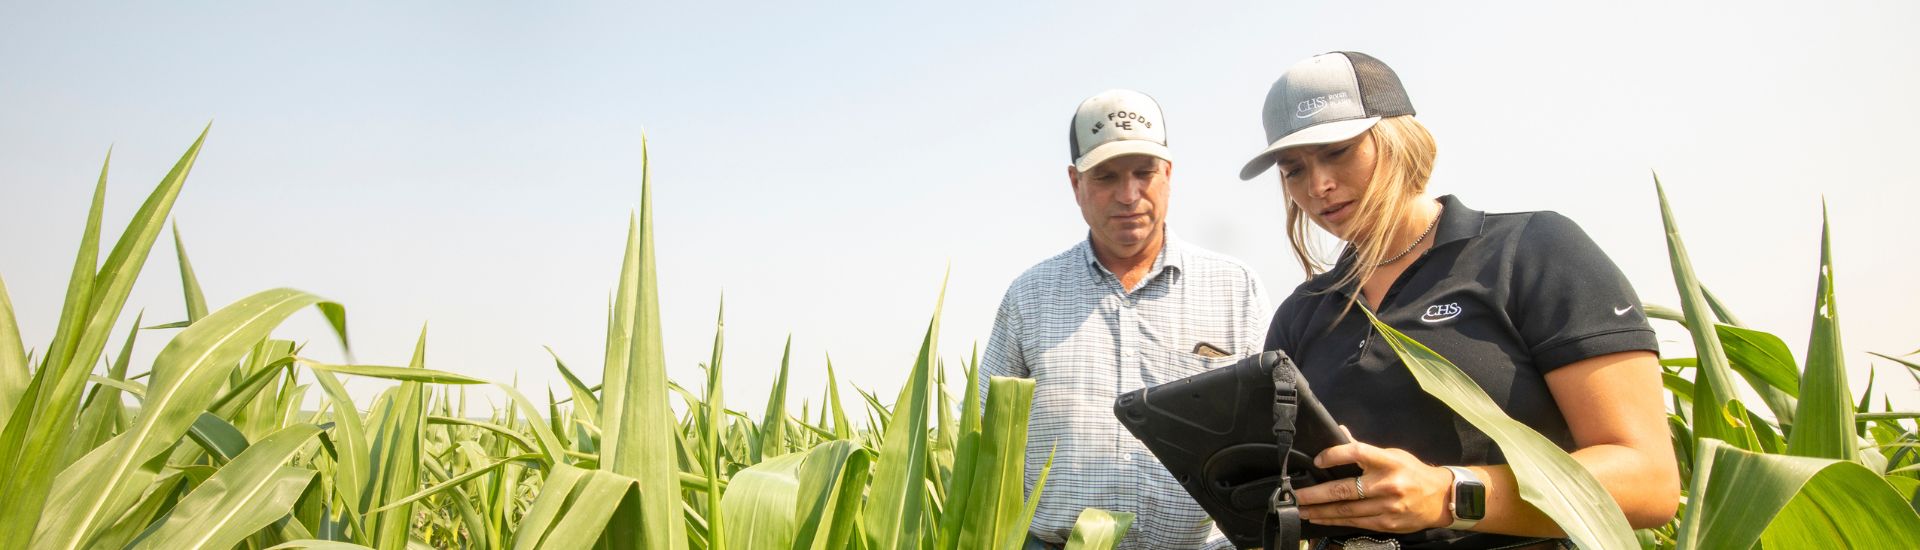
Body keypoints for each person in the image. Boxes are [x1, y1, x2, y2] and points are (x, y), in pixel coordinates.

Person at [1237, 52, 1679, 549]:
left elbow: (1648, 481)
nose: (1318, 186)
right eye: (1293, 170)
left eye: (1338, 152)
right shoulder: (1302, 311)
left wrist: (1449, 495)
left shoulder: (1534, 251)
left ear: (1401, 139)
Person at [982, 89, 1269, 550]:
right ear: (1075, 183)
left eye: (1144, 173)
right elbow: (987, 433)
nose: (1129, 195)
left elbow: (1268, 436)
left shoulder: (1235, 288)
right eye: (1106, 176)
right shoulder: (1029, 296)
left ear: (1168, 174)